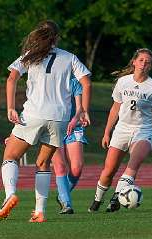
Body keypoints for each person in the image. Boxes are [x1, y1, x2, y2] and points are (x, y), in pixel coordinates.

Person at [0, 20, 92, 223]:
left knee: (10, 156)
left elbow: (11, 79)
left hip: (34, 114)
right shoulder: (69, 57)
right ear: (57, 37)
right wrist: (83, 109)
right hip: (59, 119)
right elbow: (86, 81)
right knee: (43, 163)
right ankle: (39, 212)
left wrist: (10, 107)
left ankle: (9, 195)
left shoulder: (30, 55)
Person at [88, 48, 152, 213]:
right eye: (141, 60)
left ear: (151, 66)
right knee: (109, 171)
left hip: (144, 131)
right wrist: (107, 132)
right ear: (134, 62)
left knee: (132, 165)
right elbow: (115, 108)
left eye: (148, 62)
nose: (144, 64)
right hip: (122, 129)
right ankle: (97, 200)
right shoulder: (123, 82)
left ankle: (116, 199)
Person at [51, 77, 88, 214]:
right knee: (60, 166)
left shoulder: (73, 81)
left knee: (77, 168)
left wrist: (75, 119)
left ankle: (62, 193)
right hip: (53, 127)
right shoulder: (46, 80)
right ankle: (66, 203)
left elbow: (79, 108)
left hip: (74, 126)